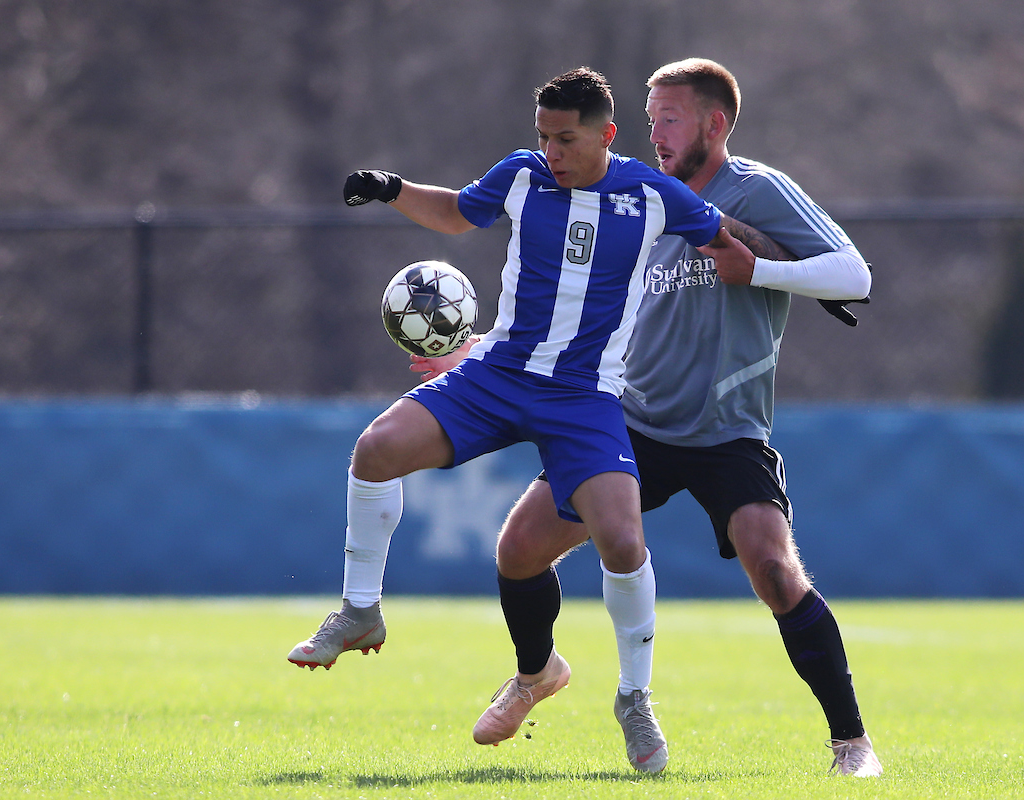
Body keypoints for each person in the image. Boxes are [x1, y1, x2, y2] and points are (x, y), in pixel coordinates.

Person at [287, 67, 779, 774]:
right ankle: (361, 609)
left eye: (567, 139)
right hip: (498, 376)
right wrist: (393, 190)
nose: (552, 150)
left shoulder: (650, 194)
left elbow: (728, 242)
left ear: (607, 135)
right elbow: (457, 212)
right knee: (375, 449)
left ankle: (634, 698)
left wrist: (789, 279)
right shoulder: (522, 175)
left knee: (621, 538)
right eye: (544, 136)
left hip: (585, 397)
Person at [411, 58, 881, 777]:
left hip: (728, 432)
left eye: (671, 117)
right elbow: (569, 307)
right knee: (519, 550)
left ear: (714, 124)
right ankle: (536, 674)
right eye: (650, 115)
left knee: (777, 572)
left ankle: (852, 744)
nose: (655, 132)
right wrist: (477, 355)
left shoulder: (754, 190)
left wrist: (759, 271)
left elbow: (855, 277)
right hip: (628, 420)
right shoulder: (629, 194)